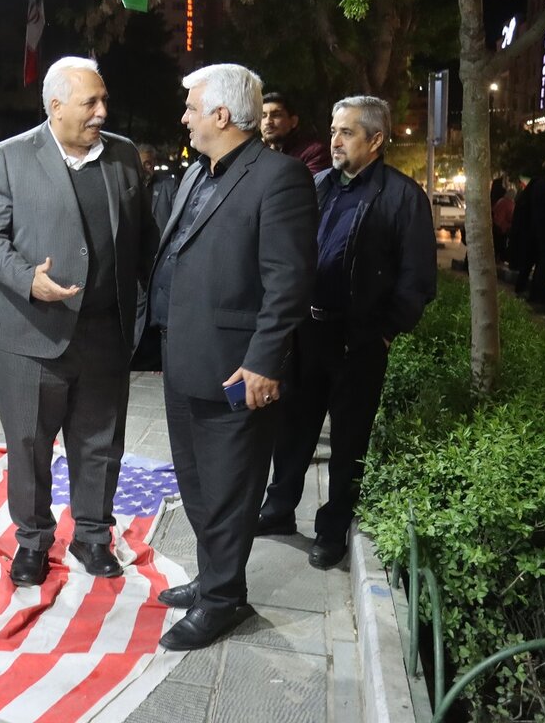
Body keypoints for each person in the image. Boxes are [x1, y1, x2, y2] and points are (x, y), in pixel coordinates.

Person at [146, 64, 316, 651]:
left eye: (192, 107)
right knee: (197, 484)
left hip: (237, 367)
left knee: (230, 488)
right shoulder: (199, 171)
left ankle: (223, 602)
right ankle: (217, 579)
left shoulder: (280, 177)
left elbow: (288, 281)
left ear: (221, 114)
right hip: (184, 358)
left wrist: (265, 361)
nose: (185, 117)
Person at [0, 56, 156, 588]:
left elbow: (142, 236)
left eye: (104, 100)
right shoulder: (10, 156)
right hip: (30, 333)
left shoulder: (122, 155)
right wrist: (27, 279)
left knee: (100, 442)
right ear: (55, 106)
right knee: (29, 444)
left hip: (104, 332)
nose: (102, 112)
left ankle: (93, 535)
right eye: (89, 103)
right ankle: (32, 541)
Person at [257, 95, 436, 570]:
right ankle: (278, 509)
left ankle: (331, 529)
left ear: (376, 140)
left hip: (359, 342)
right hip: (307, 333)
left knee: (349, 441)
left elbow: (417, 279)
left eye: (347, 132)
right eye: (334, 130)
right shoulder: (316, 185)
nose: (334, 140)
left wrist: (385, 332)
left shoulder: (403, 197)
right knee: (292, 429)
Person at [511, 159, 545, 300]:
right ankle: (535, 295)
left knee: (528, 263)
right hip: (541, 233)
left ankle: (522, 290)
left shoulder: (538, 185)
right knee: (541, 266)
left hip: (532, 232)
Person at [261, 92, 330, 174]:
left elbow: (309, 182)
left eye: (276, 115)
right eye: (263, 116)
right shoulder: (257, 153)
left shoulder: (314, 152)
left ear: (293, 121)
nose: (268, 122)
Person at [492, 178, 515, 263]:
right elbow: (510, 217)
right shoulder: (509, 203)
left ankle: (497, 258)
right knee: (501, 244)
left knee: (497, 244)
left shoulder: (501, 201)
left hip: (496, 226)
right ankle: (500, 259)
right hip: (502, 228)